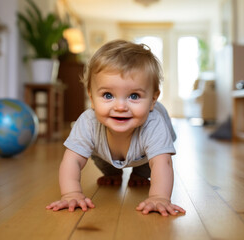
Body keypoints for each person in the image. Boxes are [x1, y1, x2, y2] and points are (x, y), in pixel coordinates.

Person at [46, 40, 186, 217]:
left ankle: (139, 174)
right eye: (108, 95)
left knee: (147, 168)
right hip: (105, 152)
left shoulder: (154, 123)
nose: (120, 106)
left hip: (144, 155)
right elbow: (72, 160)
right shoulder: (88, 122)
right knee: (99, 155)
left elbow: (162, 162)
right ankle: (113, 172)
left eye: (134, 96)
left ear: (152, 100)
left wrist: (159, 197)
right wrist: (71, 193)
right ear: (91, 96)